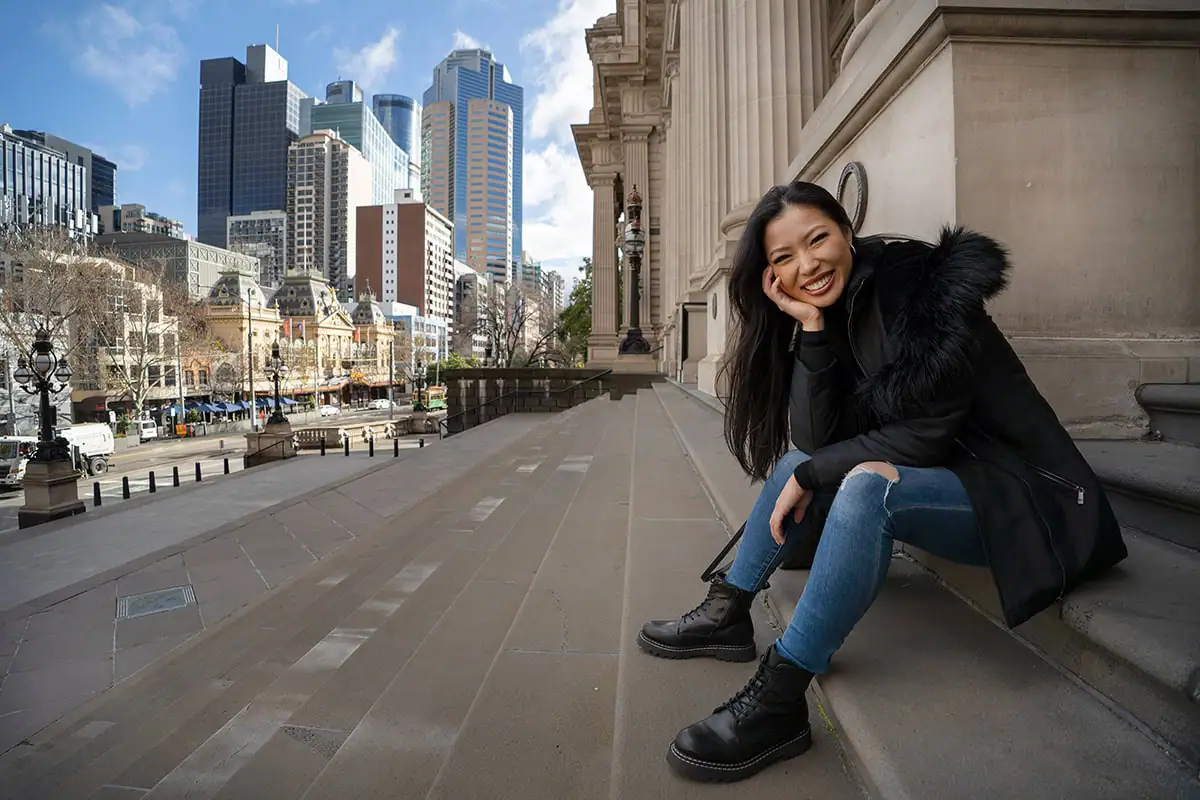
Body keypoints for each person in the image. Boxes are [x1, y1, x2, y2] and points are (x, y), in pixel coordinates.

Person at [639, 181, 1127, 784]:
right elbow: (815, 443)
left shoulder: (916, 289)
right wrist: (811, 328)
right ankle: (728, 609)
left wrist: (822, 470)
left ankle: (781, 698)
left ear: (847, 230)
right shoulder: (839, 306)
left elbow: (923, 434)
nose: (806, 265)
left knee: (868, 485)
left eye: (817, 240)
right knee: (799, 465)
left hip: (1029, 498)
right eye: (783, 258)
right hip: (956, 478)